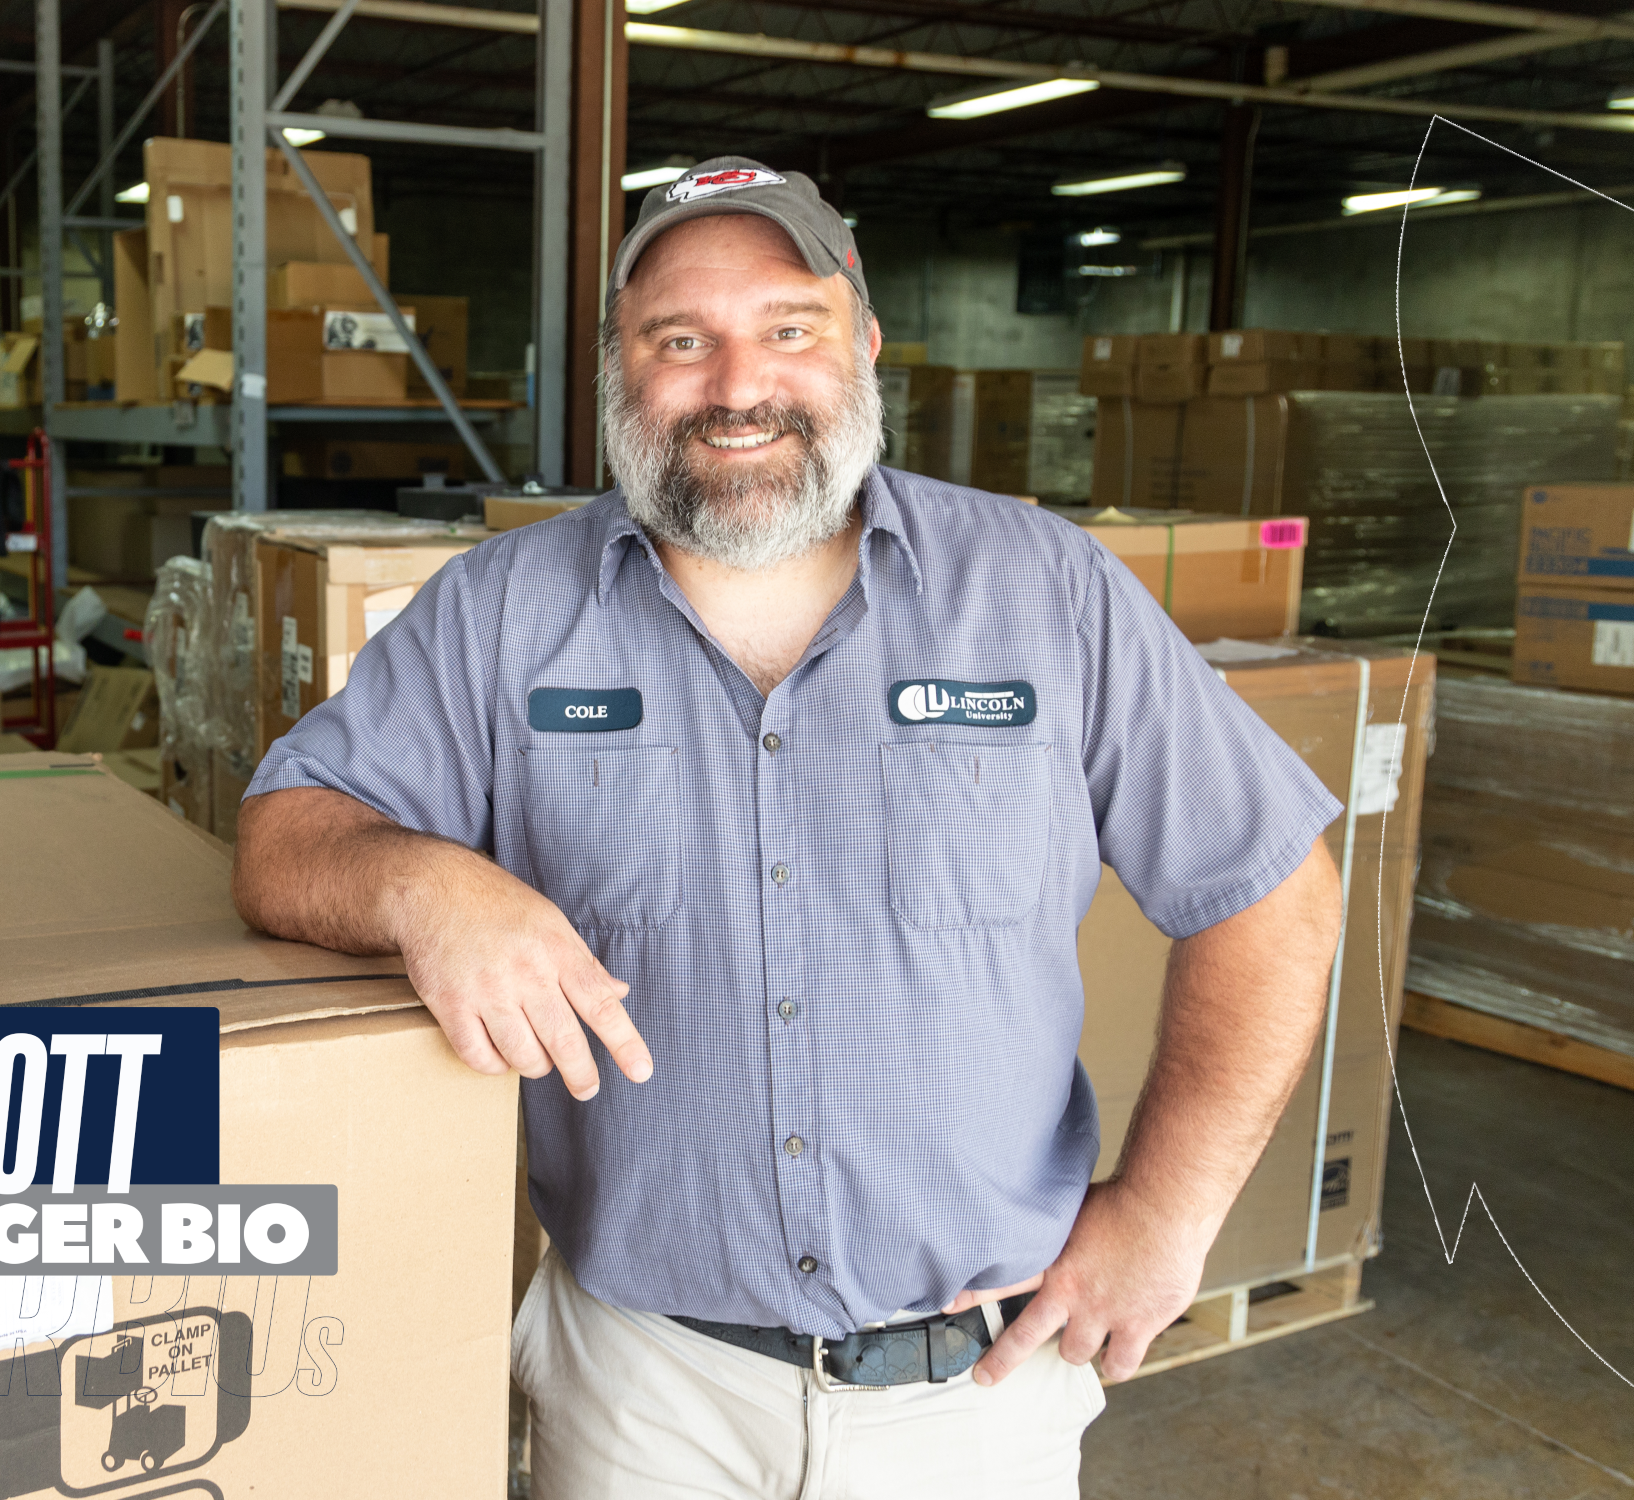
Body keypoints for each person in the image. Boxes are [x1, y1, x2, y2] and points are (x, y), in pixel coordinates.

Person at [230, 156, 1346, 1497]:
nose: (736, 383)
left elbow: (1268, 885)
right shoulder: (503, 612)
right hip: (644, 1393)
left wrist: (1168, 1217)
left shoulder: (1043, 592)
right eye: (679, 339)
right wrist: (419, 883)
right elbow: (285, 834)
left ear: (862, 345)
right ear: (615, 370)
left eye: (788, 329)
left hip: (976, 1396)